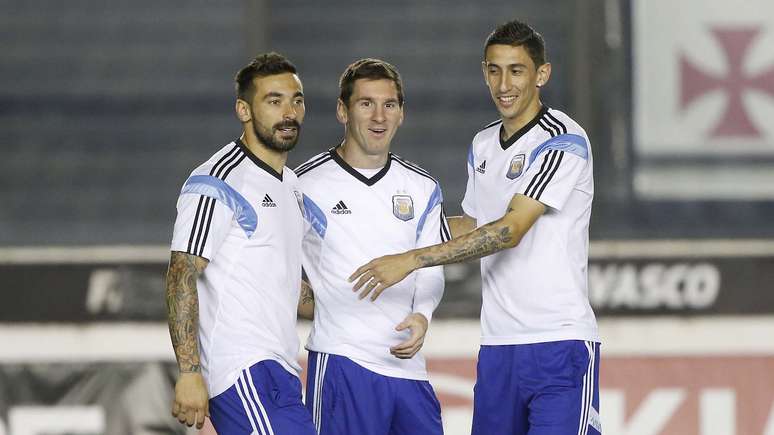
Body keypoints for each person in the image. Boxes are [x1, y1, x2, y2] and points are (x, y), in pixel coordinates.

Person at [350, 20, 602, 435]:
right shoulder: (483, 144)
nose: (503, 83)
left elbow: (509, 230)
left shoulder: (563, 140)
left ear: (542, 75)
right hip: (498, 348)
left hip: (559, 344)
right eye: (494, 70)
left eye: (516, 70)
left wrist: (411, 259)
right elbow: (472, 223)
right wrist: (384, 234)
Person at [295, 58, 449, 435]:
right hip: (343, 366)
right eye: (366, 104)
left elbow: (431, 268)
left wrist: (423, 314)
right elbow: (270, 261)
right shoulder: (302, 186)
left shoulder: (422, 187)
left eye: (389, 105)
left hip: (409, 371)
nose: (379, 116)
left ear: (401, 114)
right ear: (342, 111)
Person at [165, 52, 316, 434]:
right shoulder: (219, 180)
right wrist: (189, 373)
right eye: (274, 100)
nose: (289, 112)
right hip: (242, 368)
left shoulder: (292, 186)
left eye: (296, 100)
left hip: (281, 366)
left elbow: (281, 282)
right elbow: (182, 271)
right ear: (243, 111)